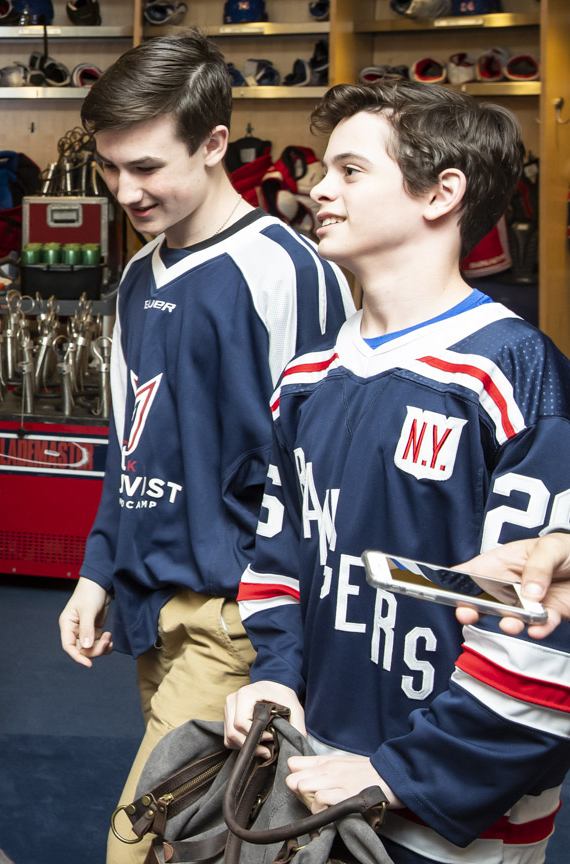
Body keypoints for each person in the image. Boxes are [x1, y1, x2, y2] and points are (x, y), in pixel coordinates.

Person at [227, 81, 570, 862]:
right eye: (324, 169)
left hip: (450, 815)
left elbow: (546, 634)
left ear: (442, 193)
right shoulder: (307, 378)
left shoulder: (515, 371)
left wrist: (399, 775)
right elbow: (281, 561)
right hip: (317, 773)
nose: (318, 188)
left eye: (350, 171)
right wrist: (277, 677)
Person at [58, 29, 353, 864]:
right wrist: (98, 569)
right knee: (198, 843)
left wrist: (284, 649)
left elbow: (313, 473)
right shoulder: (139, 276)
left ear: (216, 142)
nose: (124, 191)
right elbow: (130, 442)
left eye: (146, 168)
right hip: (153, 613)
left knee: (140, 842)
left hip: (238, 618)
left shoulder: (286, 271)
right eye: (111, 169)